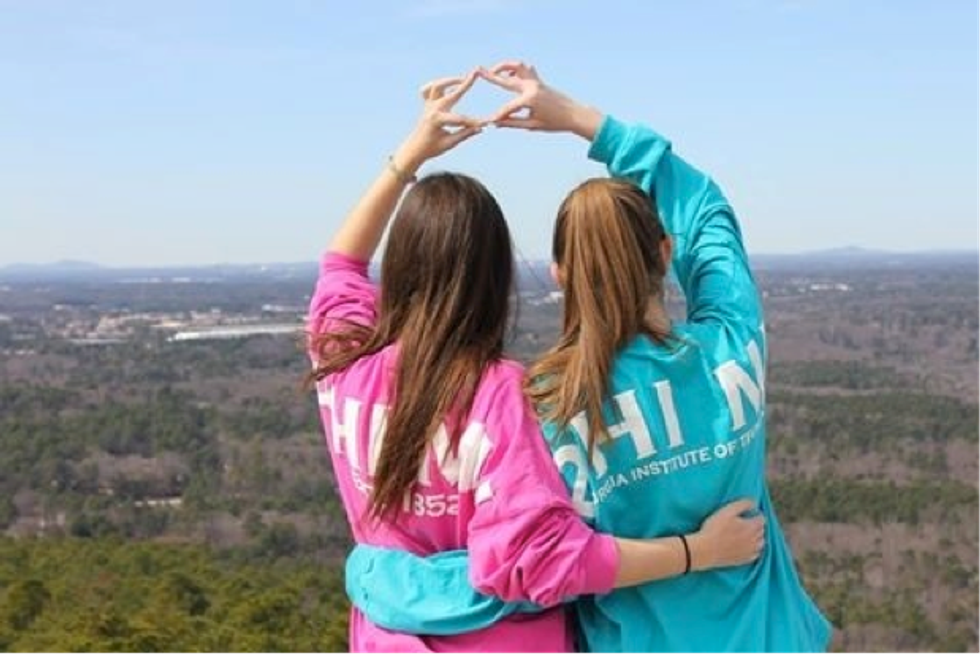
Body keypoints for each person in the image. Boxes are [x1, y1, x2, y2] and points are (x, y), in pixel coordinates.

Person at [344, 62, 832, 653]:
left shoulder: (545, 408)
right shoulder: (734, 344)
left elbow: (525, 569)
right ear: (665, 252)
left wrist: (382, 575)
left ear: (559, 274)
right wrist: (581, 121)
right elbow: (705, 209)